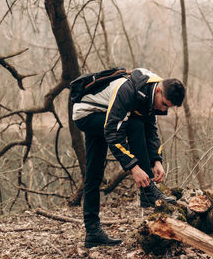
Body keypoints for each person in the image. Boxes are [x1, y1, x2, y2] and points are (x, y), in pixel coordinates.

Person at [72, 68, 186, 248]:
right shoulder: (128, 90)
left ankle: (92, 233)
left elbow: (151, 131)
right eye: (164, 104)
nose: (163, 109)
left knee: (93, 175)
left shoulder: (149, 94)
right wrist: (134, 168)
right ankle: (147, 192)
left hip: (104, 114)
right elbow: (113, 133)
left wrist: (156, 161)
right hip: (87, 114)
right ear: (159, 90)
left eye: (168, 108)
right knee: (134, 124)